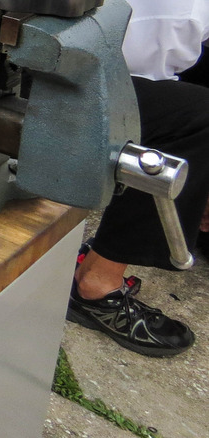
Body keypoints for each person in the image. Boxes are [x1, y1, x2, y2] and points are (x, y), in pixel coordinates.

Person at [67, 0, 209, 357]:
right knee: (200, 120)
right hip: (36, 81)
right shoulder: (185, 10)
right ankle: (96, 286)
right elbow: (145, 75)